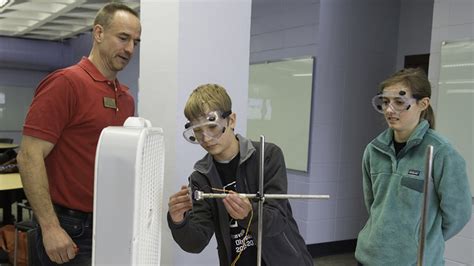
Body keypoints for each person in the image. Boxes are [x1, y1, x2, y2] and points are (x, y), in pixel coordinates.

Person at [16, 3, 141, 265]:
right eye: (123, 38)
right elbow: (29, 156)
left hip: (108, 225)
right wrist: (50, 228)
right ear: (98, 33)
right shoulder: (66, 83)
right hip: (67, 228)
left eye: (135, 42)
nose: (129, 49)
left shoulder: (125, 99)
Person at [167, 84, 313, 266]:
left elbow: (278, 219)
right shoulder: (200, 178)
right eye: (197, 130)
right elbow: (196, 243)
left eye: (212, 126)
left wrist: (249, 214)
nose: (205, 138)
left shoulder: (266, 156)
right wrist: (178, 220)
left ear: (231, 120)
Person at [355, 68, 472, 266]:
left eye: (399, 102)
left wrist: (422, 239)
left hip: (416, 261)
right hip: (370, 257)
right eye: (385, 102)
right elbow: (373, 204)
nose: (390, 110)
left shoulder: (441, 153)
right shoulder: (373, 150)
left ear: (423, 104)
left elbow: (459, 213)